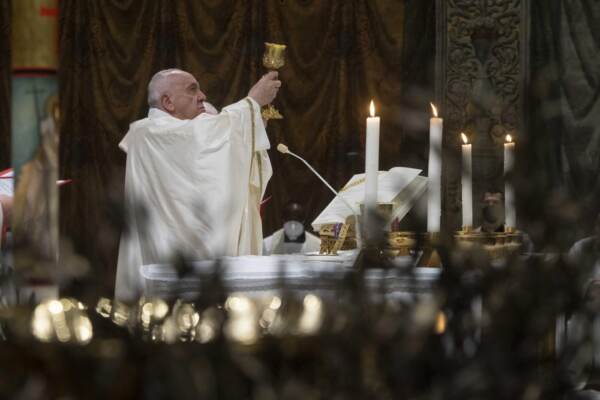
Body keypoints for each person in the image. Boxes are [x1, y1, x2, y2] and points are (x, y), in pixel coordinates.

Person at [115, 68, 281, 301]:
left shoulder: (167, 133)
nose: (202, 95)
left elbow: (211, 145)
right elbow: (203, 139)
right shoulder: (148, 131)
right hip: (167, 260)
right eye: (192, 90)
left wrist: (250, 126)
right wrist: (252, 103)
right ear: (167, 102)